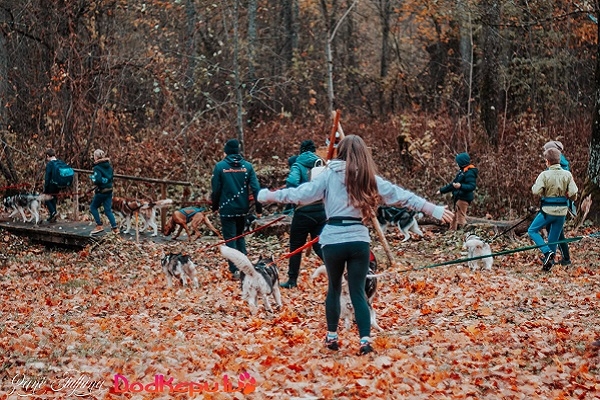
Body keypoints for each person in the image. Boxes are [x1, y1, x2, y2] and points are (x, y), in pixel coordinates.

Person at [258, 135, 453, 356]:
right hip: (359, 240)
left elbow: (300, 195)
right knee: (358, 291)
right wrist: (433, 209)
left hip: (332, 239)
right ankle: (364, 341)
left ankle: (332, 337)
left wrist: (267, 195)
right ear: (363, 153)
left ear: (339, 151)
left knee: (334, 288)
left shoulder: (328, 175)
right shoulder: (368, 178)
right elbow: (402, 197)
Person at [211, 139, 262, 280]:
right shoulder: (248, 167)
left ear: (226, 151)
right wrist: (258, 208)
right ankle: (246, 268)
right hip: (242, 209)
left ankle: (235, 270)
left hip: (226, 209)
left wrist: (214, 206)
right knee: (240, 238)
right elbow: (256, 188)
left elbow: (216, 190)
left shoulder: (220, 167)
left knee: (230, 240)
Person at [280, 140, 327, 289]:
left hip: (303, 212)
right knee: (319, 245)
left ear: (301, 151)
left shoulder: (298, 164)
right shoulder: (322, 164)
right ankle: (337, 269)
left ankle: (292, 280)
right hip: (321, 211)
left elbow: (291, 182)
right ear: (314, 151)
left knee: (295, 247)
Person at [527, 147, 578, 272]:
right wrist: (567, 195)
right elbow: (574, 194)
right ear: (559, 160)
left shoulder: (544, 175)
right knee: (553, 239)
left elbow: (535, 191)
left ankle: (546, 252)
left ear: (547, 161)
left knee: (532, 230)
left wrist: (544, 190)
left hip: (547, 211)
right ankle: (549, 263)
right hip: (561, 212)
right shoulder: (567, 175)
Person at [543, 140, 572, 266]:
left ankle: (558, 258)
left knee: (556, 231)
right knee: (556, 231)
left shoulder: (562, 166)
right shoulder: (559, 163)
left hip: (557, 204)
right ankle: (557, 257)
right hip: (554, 203)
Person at [436, 152, 478, 230]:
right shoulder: (461, 172)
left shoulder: (469, 172)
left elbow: (472, 186)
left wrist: (460, 186)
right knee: (453, 217)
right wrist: (442, 190)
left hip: (463, 198)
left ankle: (465, 234)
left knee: (460, 218)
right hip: (458, 197)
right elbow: (453, 184)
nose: (457, 164)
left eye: (458, 162)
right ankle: (451, 233)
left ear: (461, 163)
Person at [89, 149, 119, 235]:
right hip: (109, 190)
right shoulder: (109, 166)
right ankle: (115, 228)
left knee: (93, 207)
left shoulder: (97, 167)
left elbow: (97, 180)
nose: (93, 157)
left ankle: (99, 225)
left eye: (94, 156)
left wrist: (92, 178)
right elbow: (110, 177)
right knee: (108, 210)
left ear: (96, 157)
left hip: (101, 191)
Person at [43, 149, 59, 222]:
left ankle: (53, 212)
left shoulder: (50, 164)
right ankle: (52, 216)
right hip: (58, 185)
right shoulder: (59, 162)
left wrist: (45, 186)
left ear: (47, 156)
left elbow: (47, 177)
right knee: (53, 199)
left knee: (46, 198)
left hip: (51, 185)